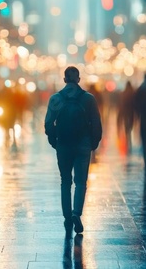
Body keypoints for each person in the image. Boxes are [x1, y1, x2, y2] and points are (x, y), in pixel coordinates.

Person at [45, 66, 102, 234]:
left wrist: (54, 140)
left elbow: (48, 124)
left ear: (64, 80)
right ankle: (77, 213)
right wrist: (93, 143)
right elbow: (97, 124)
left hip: (63, 144)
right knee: (80, 182)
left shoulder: (56, 99)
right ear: (78, 79)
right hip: (83, 144)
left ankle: (67, 218)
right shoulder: (89, 99)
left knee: (65, 181)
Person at [117, 81, 136, 155]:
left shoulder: (123, 93)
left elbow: (121, 103)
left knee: (126, 123)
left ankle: (127, 133)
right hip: (131, 112)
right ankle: (128, 133)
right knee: (130, 123)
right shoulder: (133, 93)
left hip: (125, 112)